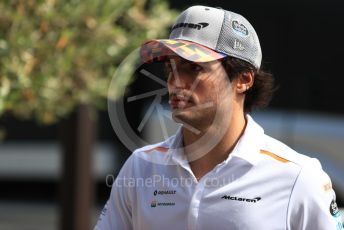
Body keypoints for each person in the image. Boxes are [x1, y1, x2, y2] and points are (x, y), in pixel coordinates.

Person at [95, 5, 343, 230]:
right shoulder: (140, 167)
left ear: (244, 79)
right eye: (170, 67)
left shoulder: (298, 177)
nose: (174, 82)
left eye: (194, 68)